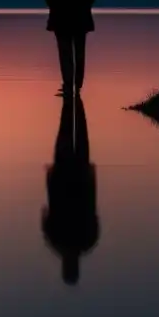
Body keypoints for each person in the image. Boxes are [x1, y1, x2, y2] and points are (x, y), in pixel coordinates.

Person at [41, 94, 100, 286]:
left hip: (70, 176)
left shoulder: (84, 241)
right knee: (71, 128)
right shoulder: (82, 241)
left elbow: (92, 208)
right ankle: (73, 97)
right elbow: (92, 206)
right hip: (72, 176)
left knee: (72, 128)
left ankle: (72, 97)